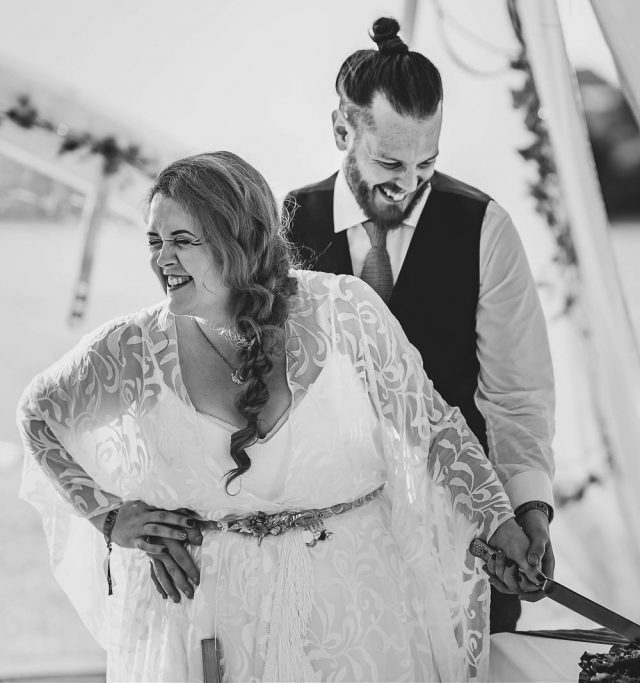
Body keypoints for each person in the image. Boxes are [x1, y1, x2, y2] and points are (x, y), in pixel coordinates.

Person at [18, 151, 542, 681]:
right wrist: (107, 516)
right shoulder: (131, 347)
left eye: (181, 241)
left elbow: (433, 430)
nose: (161, 260)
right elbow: (38, 416)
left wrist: (500, 523)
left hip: (358, 622)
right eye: (155, 241)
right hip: (209, 630)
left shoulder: (344, 311)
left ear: (237, 241)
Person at [285, 16, 557, 633]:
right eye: (389, 161)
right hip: (333, 545)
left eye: (427, 164)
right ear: (341, 129)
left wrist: (528, 510)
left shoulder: (486, 228)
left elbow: (518, 396)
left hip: (466, 536)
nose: (408, 185)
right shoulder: (286, 223)